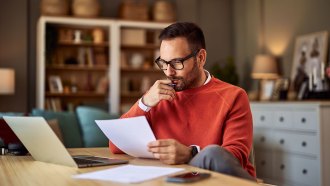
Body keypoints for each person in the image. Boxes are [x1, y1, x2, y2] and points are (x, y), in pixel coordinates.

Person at [109, 22, 256, 181]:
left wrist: (190, 153)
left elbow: (234, 158)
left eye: (176, 63)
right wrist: (144, 103)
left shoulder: (233, 96)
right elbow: (116, 146)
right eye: (163, 63)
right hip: (173, 181)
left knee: (214, 153)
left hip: (220, 182)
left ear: (200, 58)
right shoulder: (157, 96)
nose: (168, 72)